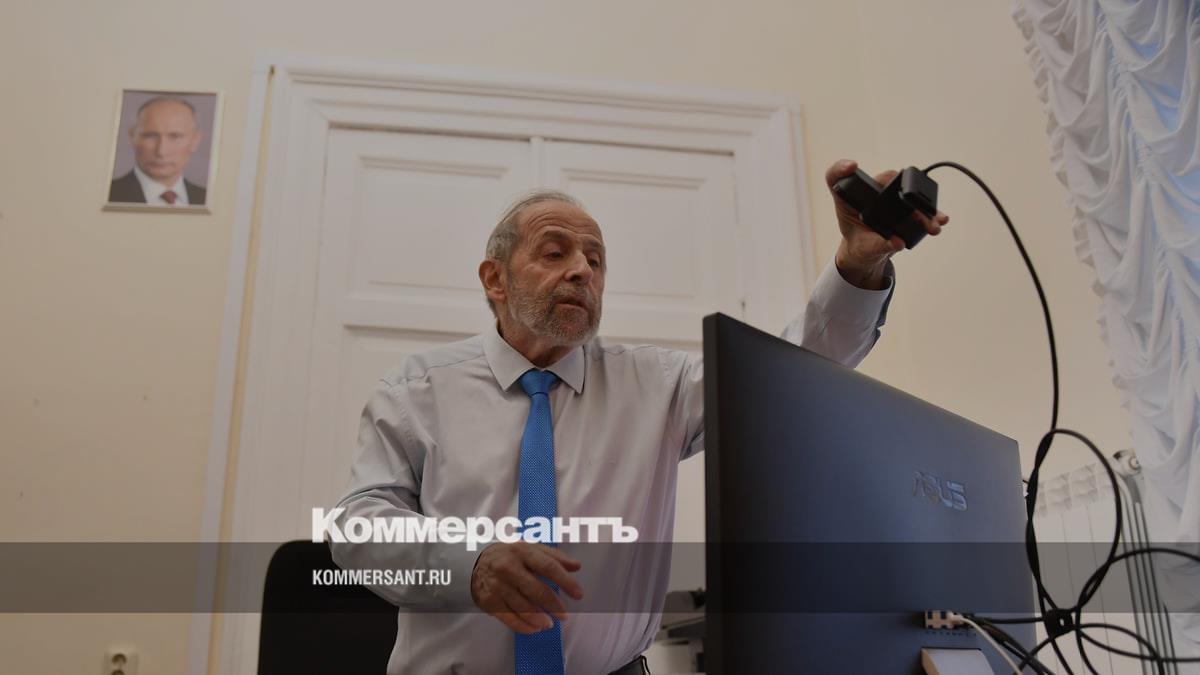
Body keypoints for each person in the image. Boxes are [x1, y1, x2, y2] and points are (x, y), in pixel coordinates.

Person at [329, 159, 948, 674]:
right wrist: (469, 564)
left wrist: (858, 265)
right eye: (555, 252)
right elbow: (357, 527)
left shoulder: (659, 386)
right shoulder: (417, 391)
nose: (582, 270)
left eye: (596, 260)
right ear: (495, 279)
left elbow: (790, 375)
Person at [108, 96, 206, 206]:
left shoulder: (208, 199)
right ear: (132, 137)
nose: (161, 151)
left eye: (175, 137)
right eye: (150, 136)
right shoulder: (107, 195)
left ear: (195, 141)